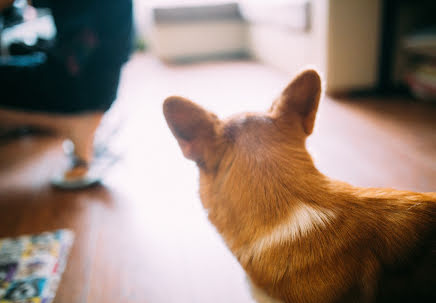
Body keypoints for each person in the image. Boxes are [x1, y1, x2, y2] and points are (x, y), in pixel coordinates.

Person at [0, 0, 133, 188]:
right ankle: (85, 129)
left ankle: (77, 124)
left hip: (75, 85)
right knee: (19, 49)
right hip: (103, 82)